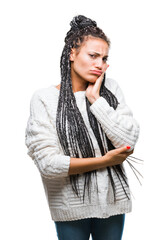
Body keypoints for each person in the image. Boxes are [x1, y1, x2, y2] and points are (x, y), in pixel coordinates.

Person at [25, 15, 140, 240]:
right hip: (70, 208)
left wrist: (95, 99)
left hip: (113, 204)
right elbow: (48, 163)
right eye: (93, 56)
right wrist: (106, 161)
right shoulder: (45, 99)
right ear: (72, 54)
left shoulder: (110, 91)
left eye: (104, 58)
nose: (100, 64)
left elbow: (128, 139)